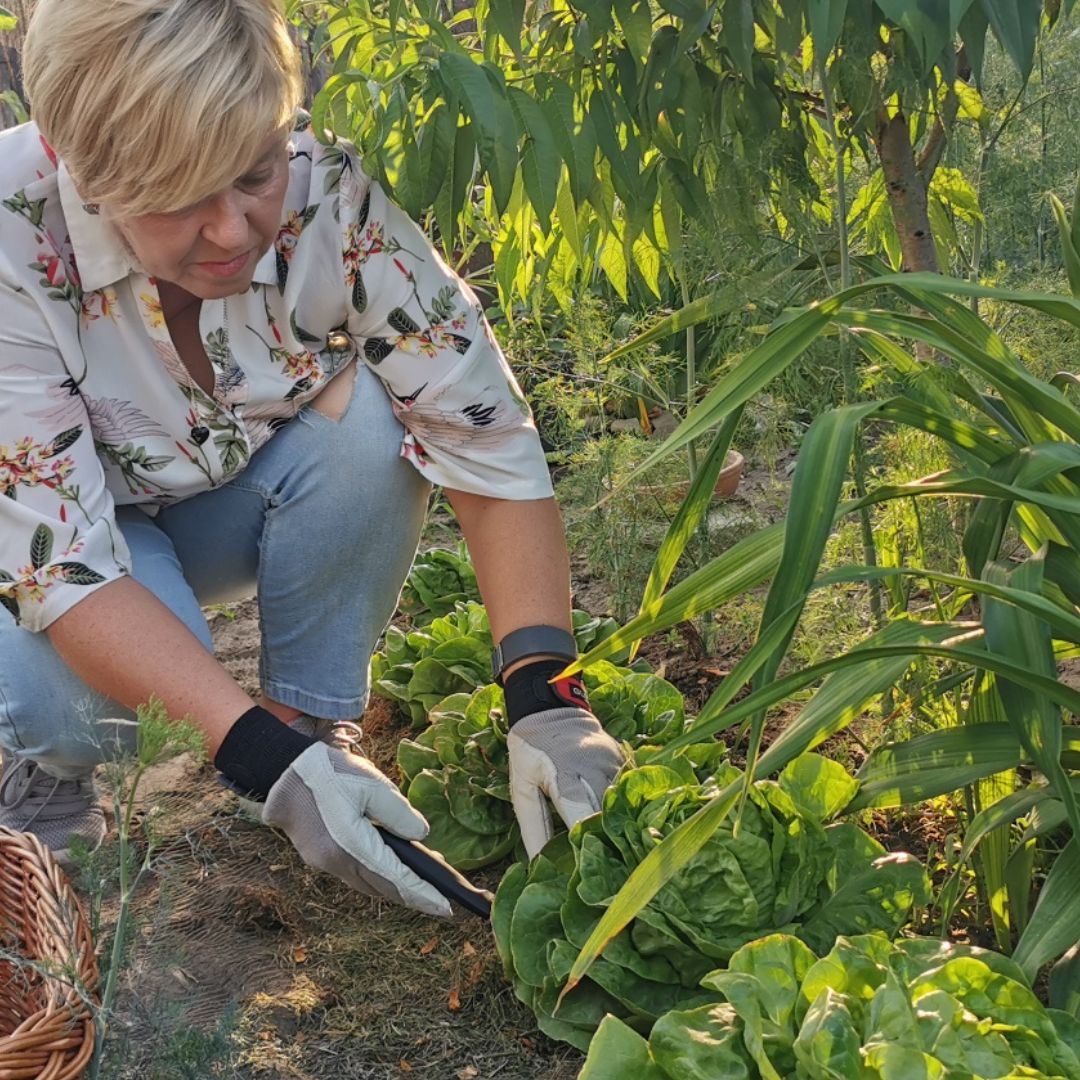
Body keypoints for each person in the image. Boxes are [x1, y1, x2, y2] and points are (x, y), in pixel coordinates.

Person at [0, 0, 623, 919]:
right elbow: (66, 571)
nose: (234, 231)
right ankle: (43, 770)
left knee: (374, 410)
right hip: (51, 550)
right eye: (178, 200)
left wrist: (547, 692)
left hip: (213, 491)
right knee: (71, 707)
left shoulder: (326, 190)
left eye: (254, 173)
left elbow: (480, 429)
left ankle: (307, 727)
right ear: (77, 168)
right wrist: (249, 760)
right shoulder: (13, 235)